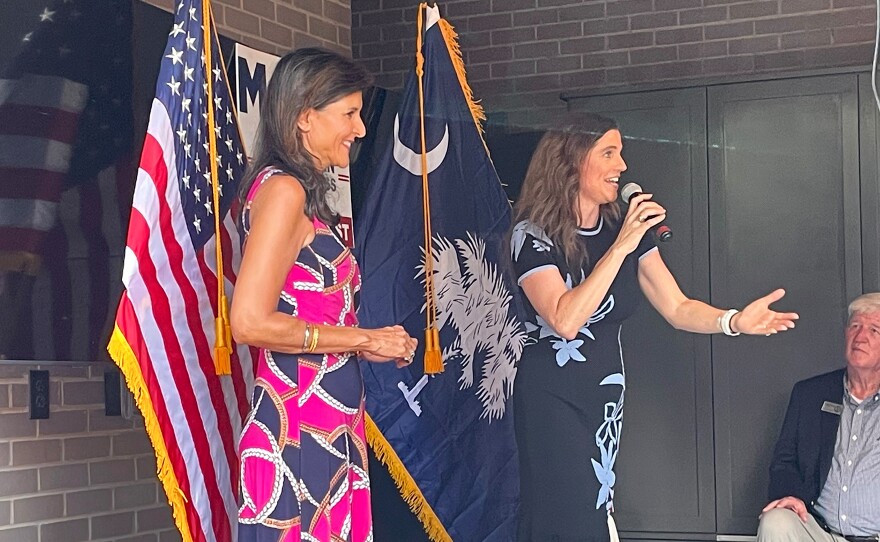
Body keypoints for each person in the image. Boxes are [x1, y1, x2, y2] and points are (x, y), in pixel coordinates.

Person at [510, 113, 799, 542]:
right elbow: (565, 319)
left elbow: (677, 306)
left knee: (594, 508)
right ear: (571, 162)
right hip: (552, 400)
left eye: (621, 152)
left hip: (604, 398)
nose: (622, 165)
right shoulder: (532, 235)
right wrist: (624, 243)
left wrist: (734, 321)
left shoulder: (622, 228)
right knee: (568, 520)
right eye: (608, 153)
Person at [230, 48, 418, 542]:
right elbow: (248, 322)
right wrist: (361, 340)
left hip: (327, 431)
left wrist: (371, 343)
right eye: (349, 114)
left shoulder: (297, 191)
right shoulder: (285, 192)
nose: (359, 130)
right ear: (304, 118)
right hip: (298, 432)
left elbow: (306, 305)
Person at [757, 293, 880, 542]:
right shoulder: (810, 394)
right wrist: (790, 495)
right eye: (855, 326)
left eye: (874, 330)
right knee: (776, 521)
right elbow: (784, 462)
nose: (861, 337)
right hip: (820, 532)